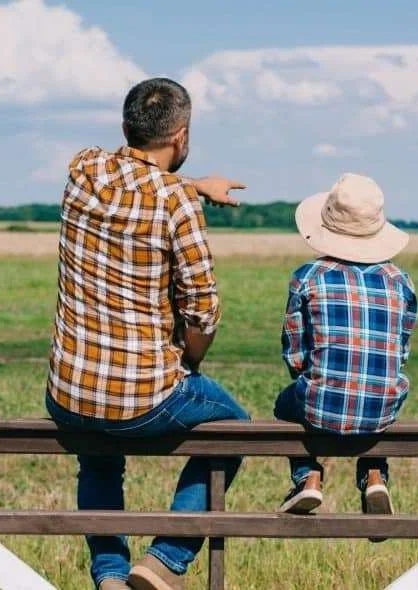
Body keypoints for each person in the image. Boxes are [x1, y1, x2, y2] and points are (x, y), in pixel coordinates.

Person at [44, 77, 250, 590]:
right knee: (236, 431)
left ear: (124, 127)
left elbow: (136, 177)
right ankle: (165, 560)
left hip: (69, 394)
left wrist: (192, 184)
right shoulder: (178, 205)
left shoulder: (82, 170)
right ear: (181, 135)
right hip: (146, 398)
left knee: (98, 459)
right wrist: (189, 363)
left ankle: (110, 573)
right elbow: (203, 313)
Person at [272, 173, 418, 537]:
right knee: (376, 395)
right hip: (382, 407)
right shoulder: (401, 280)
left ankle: (308, 478)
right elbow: (400, 353)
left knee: (283, 405)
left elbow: (294, 354)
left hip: (319, 404)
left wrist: (318, 379)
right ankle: (373, 476)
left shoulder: (308, 277)